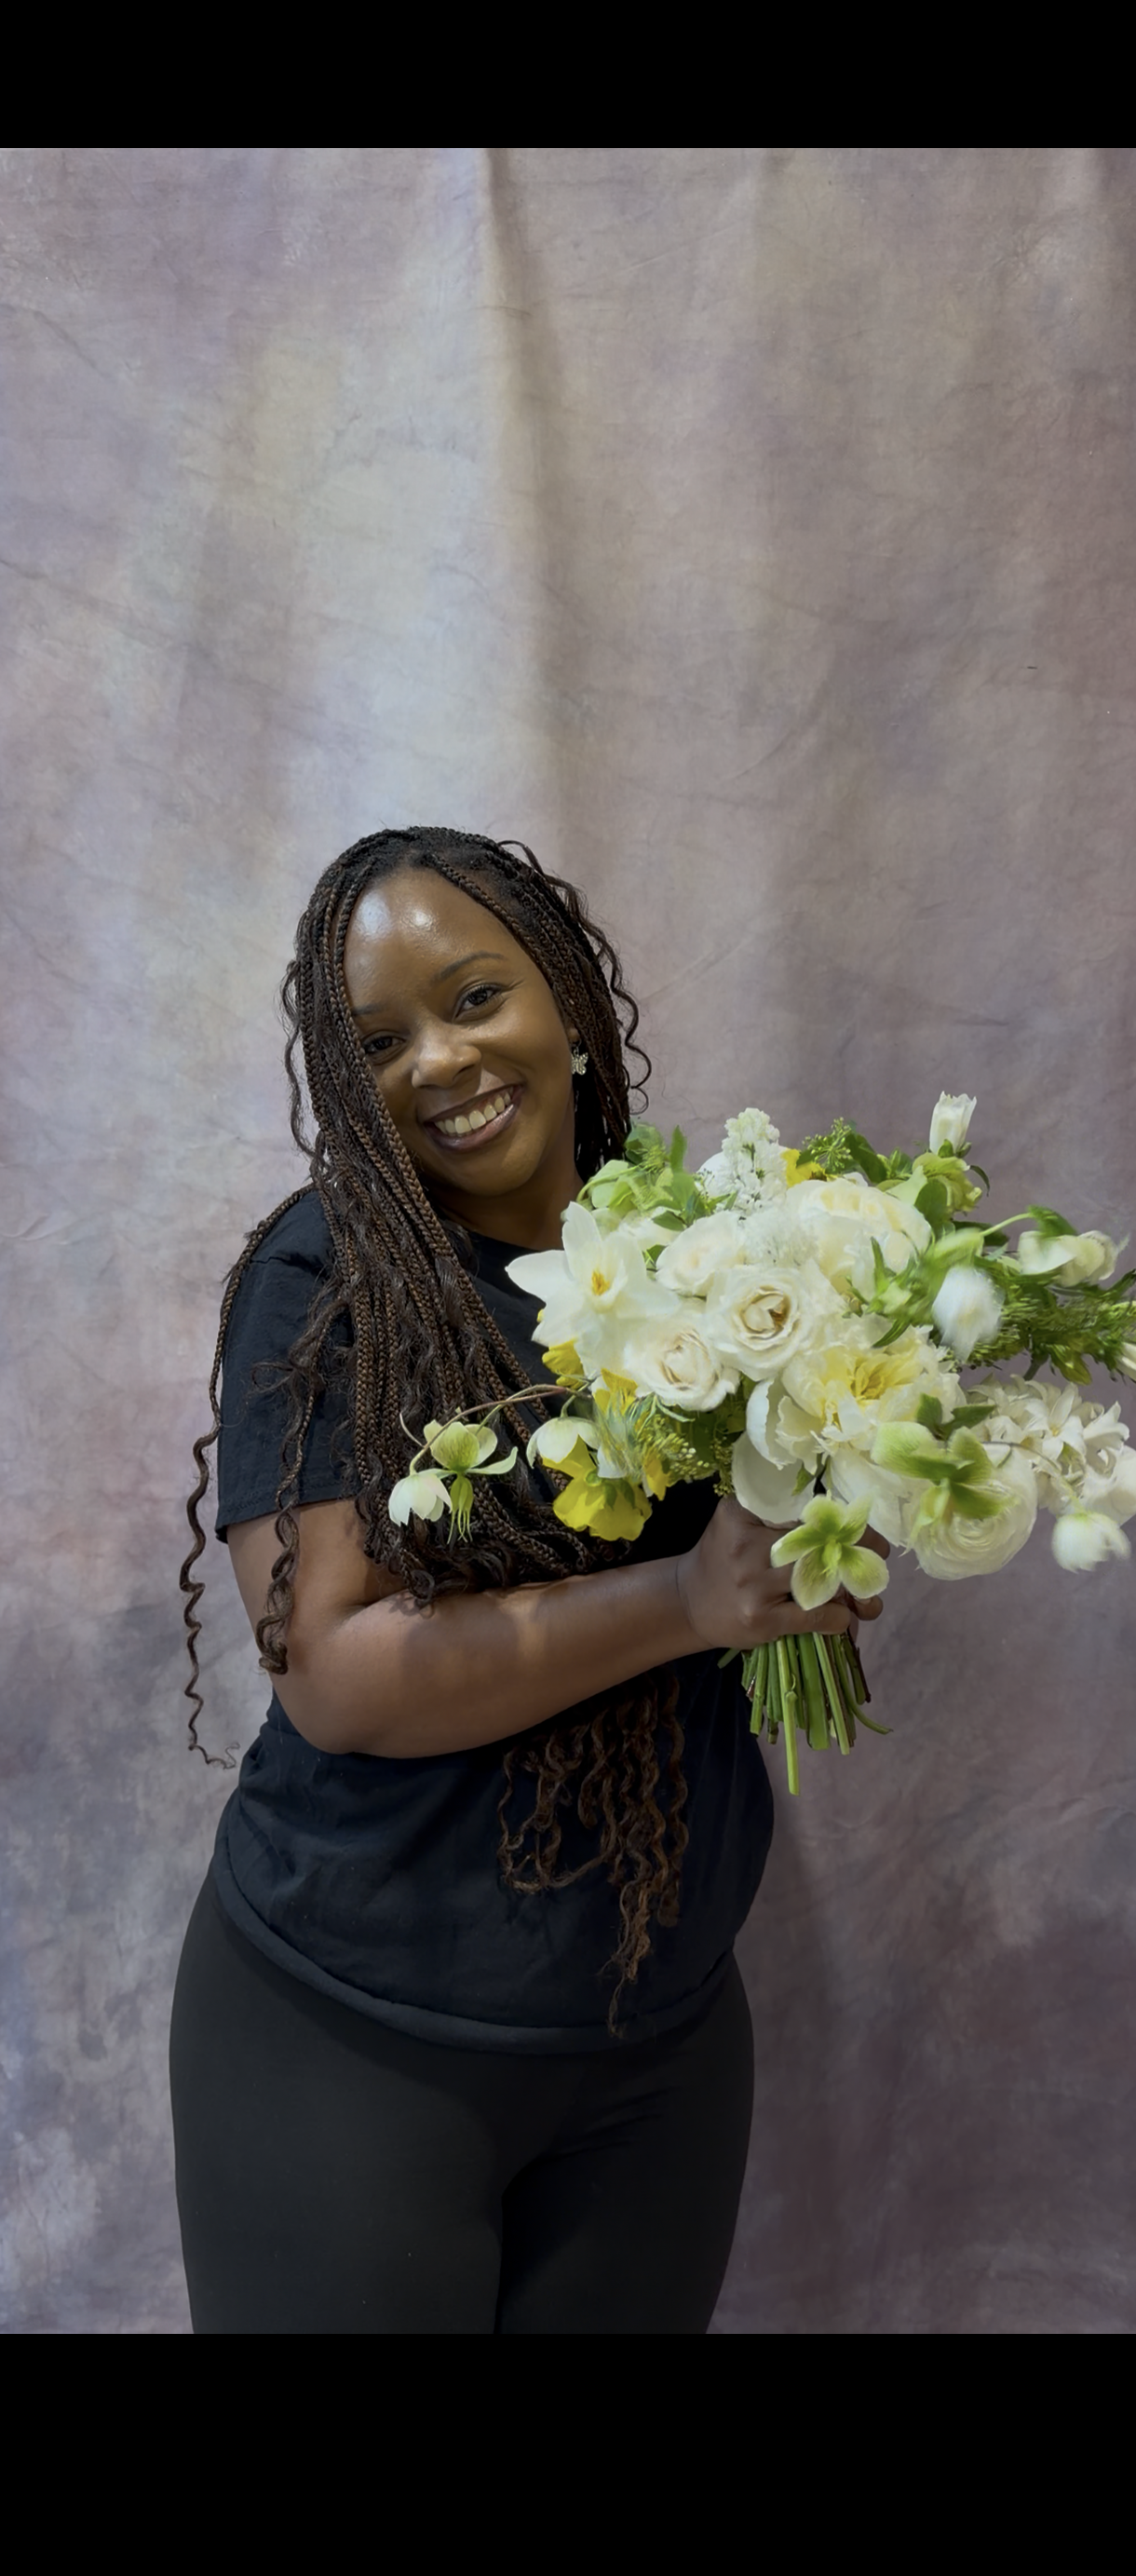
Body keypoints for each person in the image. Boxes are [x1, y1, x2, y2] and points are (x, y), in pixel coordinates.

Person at [169, 827, 886, 2334]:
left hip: (660, 2033)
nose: (442, 1059)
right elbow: (337, 1680)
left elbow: (777, 1539)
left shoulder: (707, 1246)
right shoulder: (329, 1282)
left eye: (476, 996)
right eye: (380, 1040)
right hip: (359, 2034)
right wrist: (689, 1601)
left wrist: (827, 1539)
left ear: (563, 992)